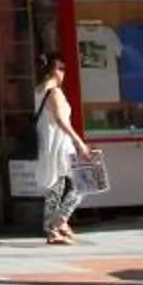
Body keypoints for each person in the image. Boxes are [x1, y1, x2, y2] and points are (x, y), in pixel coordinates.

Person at [33, 53, 89, 245]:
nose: (64, 73)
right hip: (60, 144)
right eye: (62, 69)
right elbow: (61, 121)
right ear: (54, 71)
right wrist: (79, 142)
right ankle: (60, 221)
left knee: (55, 188)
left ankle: (52, 229)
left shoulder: (39, 90)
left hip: (48, 144)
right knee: (83, 183)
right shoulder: (54, 92)